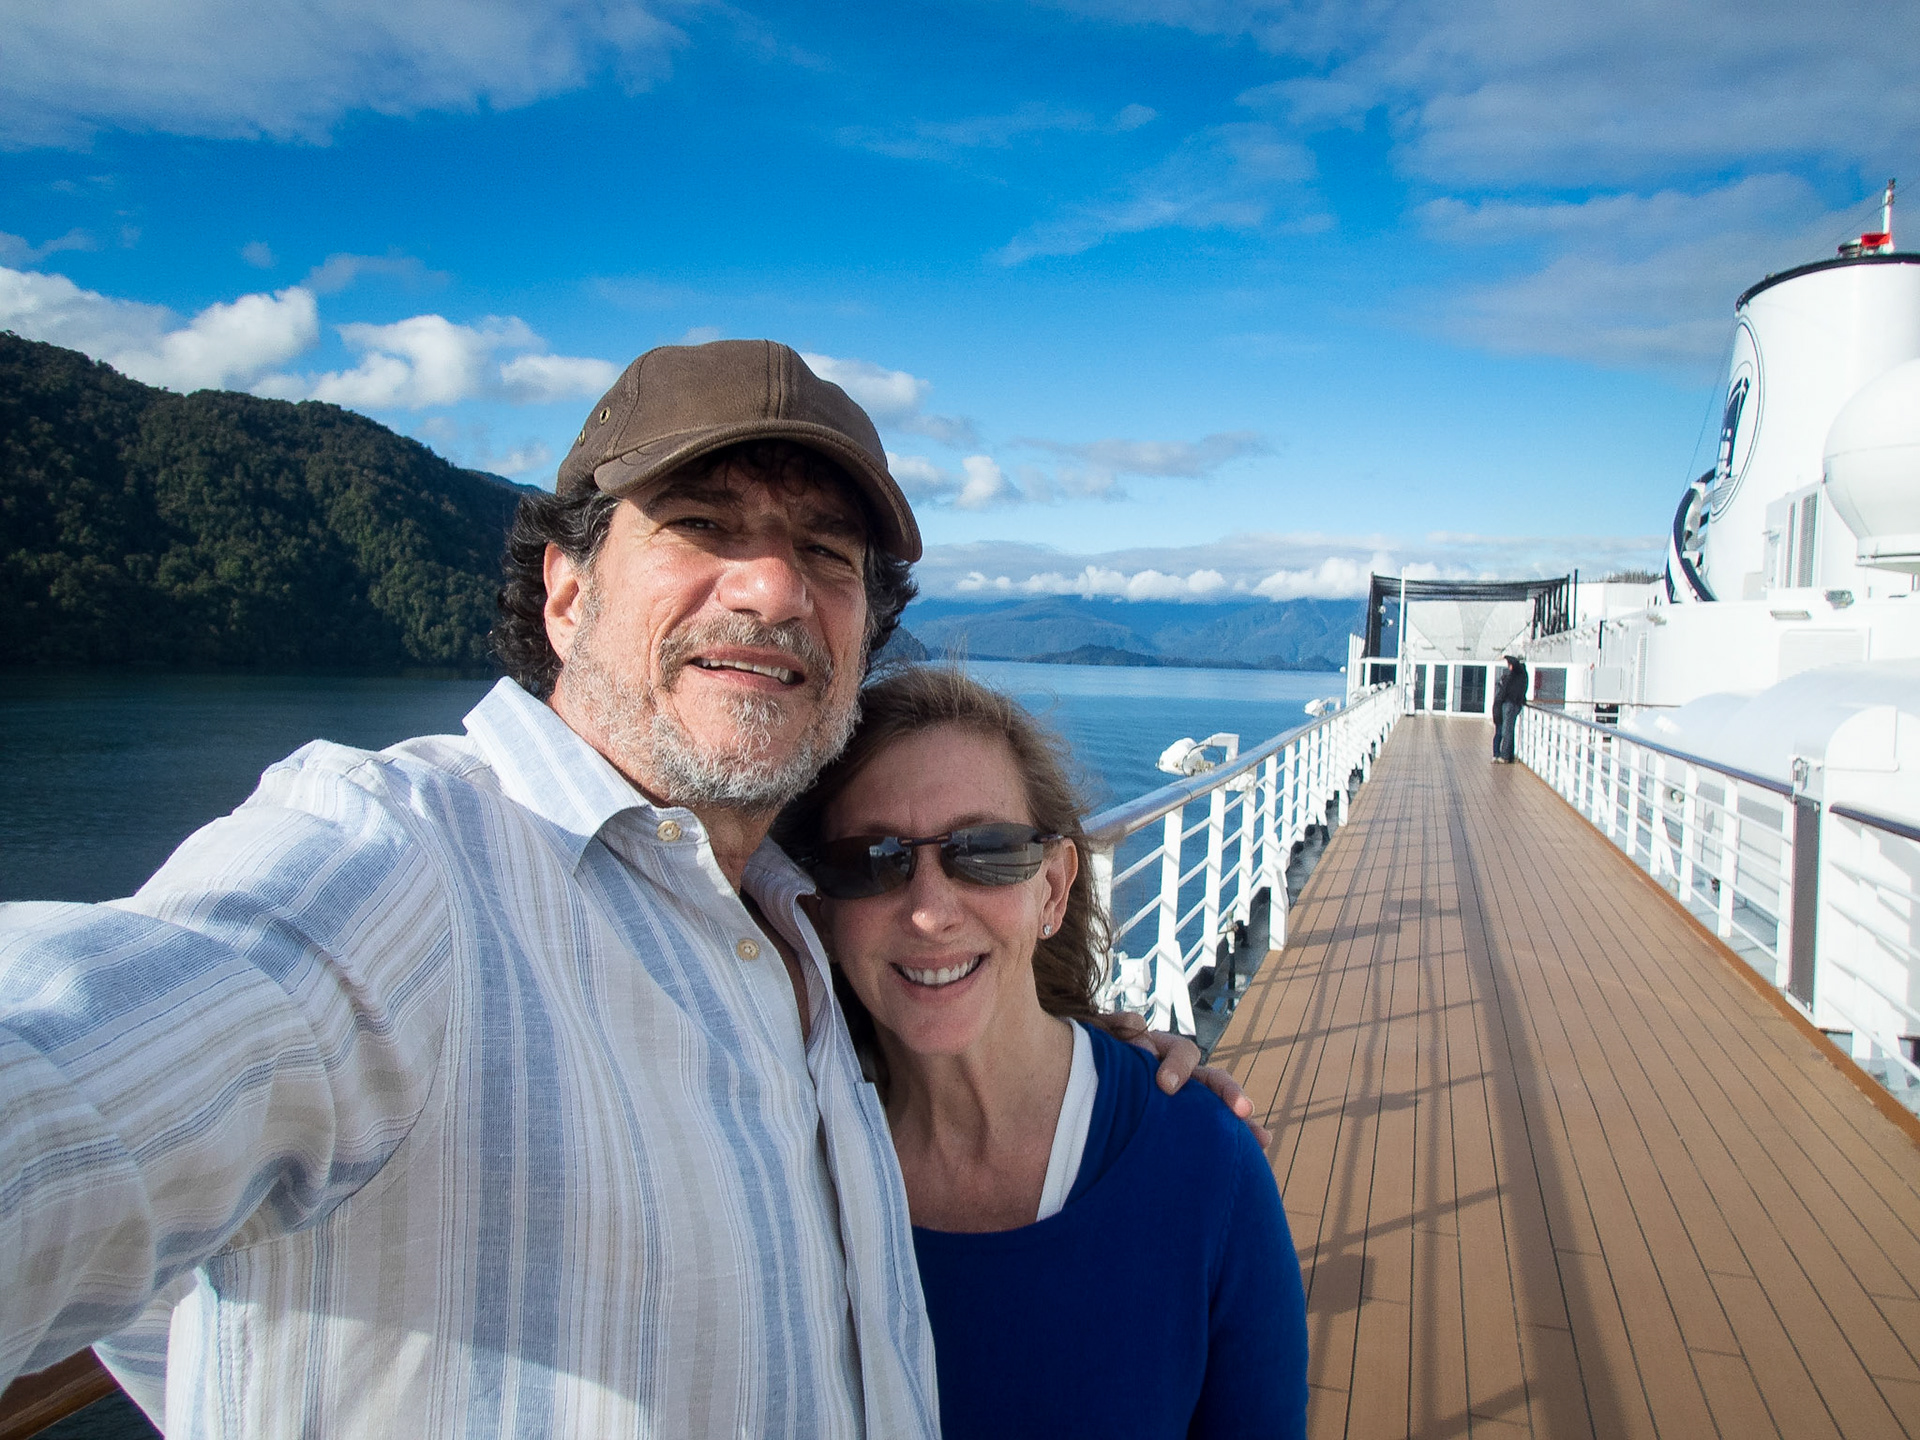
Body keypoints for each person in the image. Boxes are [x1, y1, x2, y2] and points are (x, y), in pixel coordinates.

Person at [0, 340, 1247, 1438]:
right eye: (702, 524)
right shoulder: (399, 872)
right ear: (565, 588)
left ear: (865, 633)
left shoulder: (797, 928)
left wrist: (1097, 1058)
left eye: (826, 553)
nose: (771, 587)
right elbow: (79, 1082)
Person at [781, 668, 1309, 1440]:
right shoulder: (796, 1161)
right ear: (823, 913)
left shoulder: (1202, 1166)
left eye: (985, 851)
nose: (929, 913)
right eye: (873, 859)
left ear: (1054, 890)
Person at [1493, 654, 1528, 762]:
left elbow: (1515, 663)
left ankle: (1505, 756)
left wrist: (1505, 656)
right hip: (1513, 703)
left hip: (1511, 703)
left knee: (1506, 731)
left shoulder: (1519, 672)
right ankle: (1509, 755)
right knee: (1508, 730)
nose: (1509, 667)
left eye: (1509, 665)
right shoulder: (1520, 676)